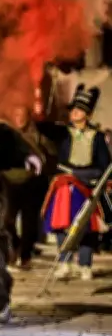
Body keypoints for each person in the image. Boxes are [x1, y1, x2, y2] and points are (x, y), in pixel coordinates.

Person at [40, 85, 111, 281]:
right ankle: (65, 262)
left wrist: (89, 176)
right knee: (61, 223)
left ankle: (85, 265)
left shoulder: (96, 137)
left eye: (79, 110)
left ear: (87, 115)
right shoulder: (63, 133)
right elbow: (43, 128)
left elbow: (104, 165)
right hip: (64, 184)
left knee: (86, 226)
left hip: (87, 186)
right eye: (72, 110)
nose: (74, 113)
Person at [2, 105, 55, 271]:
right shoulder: (6, 133)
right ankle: (15, 246)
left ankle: (25, 256)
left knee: (29, 222)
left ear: (28, 117)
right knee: (5, 219)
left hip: (31, 183)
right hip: (9, 181)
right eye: (16, 114)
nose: (19, 118)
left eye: (22, 115)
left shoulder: (38, 135)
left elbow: (51, 156)